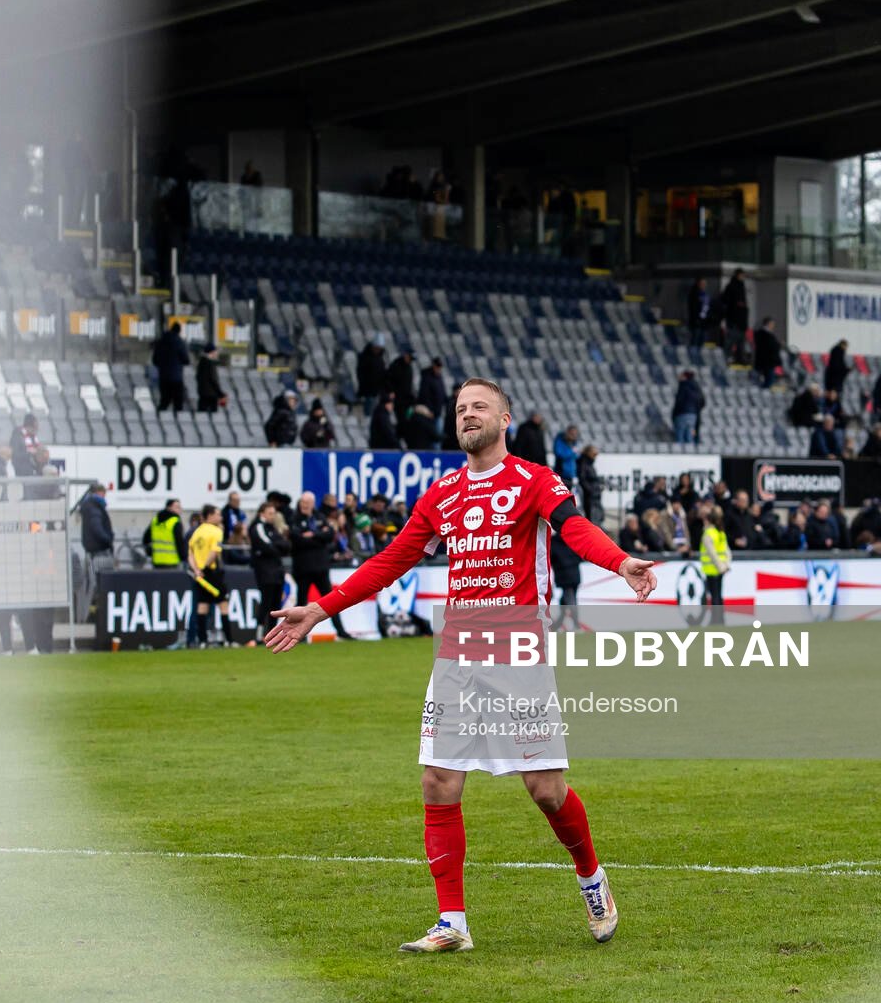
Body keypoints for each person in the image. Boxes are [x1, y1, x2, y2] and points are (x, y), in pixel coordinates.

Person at [265, 377, 656, 953]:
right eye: (460, 409)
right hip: (457, 655)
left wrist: (619, 561)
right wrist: (321, 609)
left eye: (480, 407)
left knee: (545, 789)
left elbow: (572, 528)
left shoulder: (534, 480)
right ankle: (453, 922)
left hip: (519, 652)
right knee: (438, 779)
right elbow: (392, 559)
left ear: (505, 419)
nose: (468, 415)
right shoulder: (442, 493)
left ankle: (592, 879)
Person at [287, 491, 350, 641]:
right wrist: (318, 535)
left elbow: (329, 535)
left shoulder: (319, 517)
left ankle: (341, 631)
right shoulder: (294, 519)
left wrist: (312, 535)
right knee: (301, 602)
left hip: (321, 567)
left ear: (313, 503)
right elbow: (297, 539)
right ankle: (298, 634)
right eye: (303, 502)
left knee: (331, 601)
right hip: (303, 568)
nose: (305, 505)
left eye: (308, 502)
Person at [171, 504, 227, 650]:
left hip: (198, 574)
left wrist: (196, 569)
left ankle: (200, 640)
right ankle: (228, 640)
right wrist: (203, 568)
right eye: (218, 514)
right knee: (223, 604)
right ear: (210, 516)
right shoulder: (216, 531)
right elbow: (214, 552)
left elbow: (190, 553)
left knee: (201, 606)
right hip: (211, 572)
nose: (220, 517)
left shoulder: (196, 532)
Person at [248, 499, 289, 645]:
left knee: (276, 604)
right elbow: (267, 546)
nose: (272, 516)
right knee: (266, 602)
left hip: (277, 571)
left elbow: (285, 545)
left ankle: (272, 633)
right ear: (262, 513)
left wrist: (277, 546)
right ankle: (259, 634)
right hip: (265, 571)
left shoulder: (272, 528)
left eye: (274, 513)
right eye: (270, 513)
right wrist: (277, 547)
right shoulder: (258, 527)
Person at [78, 480, 115, 615]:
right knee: (100, 584)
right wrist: (108, 540)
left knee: (92, 583)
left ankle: (90, 612)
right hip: (99, 551)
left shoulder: (88, 507)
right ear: (99, 493)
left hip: (92, 551)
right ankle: (99, 612)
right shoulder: (95, 508)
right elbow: (97, 528)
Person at [698, 508, 730, 623]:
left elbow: (712, 554)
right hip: (720, 569)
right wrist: (726, 565)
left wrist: (720, 567)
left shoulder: (708, 534)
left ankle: (716, 619)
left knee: (714, 596)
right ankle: (720, 618)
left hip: (712, 569)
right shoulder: (720, 532)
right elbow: (726, 551)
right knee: (719, 595)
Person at [151, 321, 190, 412]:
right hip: (176, 378)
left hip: (163, 377)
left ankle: (159, 420)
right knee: (178, 403)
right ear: (179, 331)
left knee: (164, 401)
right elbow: (186, 360)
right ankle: (178, 422)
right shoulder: (180, 342)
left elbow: (155, 360)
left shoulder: (161, 342)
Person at [671, 369, 704, 444]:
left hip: (682, 414)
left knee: (680, 437)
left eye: (681, 375)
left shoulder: (683, 386)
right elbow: (702, 402)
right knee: (689, 438)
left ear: (685, 376)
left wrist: (674, 415)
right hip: (693, 416)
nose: (679, 377)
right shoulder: (696, 388)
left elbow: (679, 401)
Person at [356, 338, 387, 415]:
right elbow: (361, 374)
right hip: (369, 392)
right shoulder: (365, 358)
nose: (378, 350)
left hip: (377, 391)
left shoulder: (379, 359)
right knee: (369, 414)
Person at [751, 317, 784, 388]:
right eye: (772, 324)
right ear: (768, 324)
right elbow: (769, 347)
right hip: (767, 362)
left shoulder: (764, 334)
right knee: (769, 381)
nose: (773, 326)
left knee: (768, 380)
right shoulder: (764, 334)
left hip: (766, 362)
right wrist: (778, 344)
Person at [684, 277, 713, 347]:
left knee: (701, 342)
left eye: (705, 284)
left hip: (704, 323)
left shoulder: (705, 294)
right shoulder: (694, 294)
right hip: (696, 322)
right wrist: (696, 319)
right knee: (695, 341)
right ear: (698, 284)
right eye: (702, 284)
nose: (704, 285)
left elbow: (707, 307)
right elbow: (693, 308)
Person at [195, 345, 225, 413]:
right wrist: (221, 394)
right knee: (213, 417)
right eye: (216, 351)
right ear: (212, 352)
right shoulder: (209, 363)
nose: (217, 353)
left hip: (203, 393)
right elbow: (213, 380)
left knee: (201, 415)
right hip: (211, 395)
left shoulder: (201, 363)